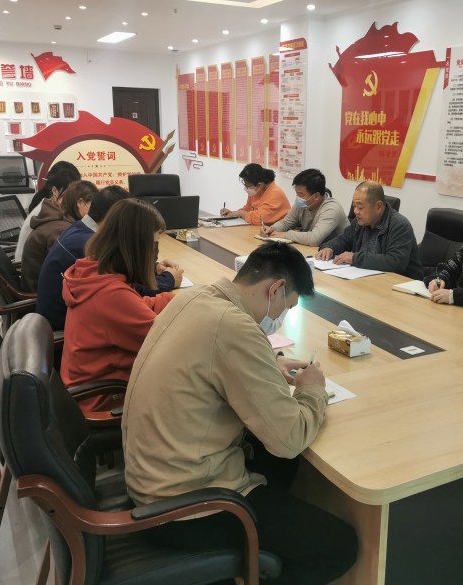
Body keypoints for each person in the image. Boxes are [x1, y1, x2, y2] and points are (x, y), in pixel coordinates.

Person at [122, 242, 357, 584]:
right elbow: (290, 439)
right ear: (276, 289)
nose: (282, 317)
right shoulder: (234, 327)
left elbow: (212, 357)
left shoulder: (194, 298)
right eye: (288, 306)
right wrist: (312, 390)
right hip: (186, 507)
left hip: (152, 479)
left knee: (281, 465)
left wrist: (270, 362)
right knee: (339, 546)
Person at [61, 198, 176, 411]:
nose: (156, 251)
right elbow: (168, 343)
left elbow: (136, 305)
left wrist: (183, 300)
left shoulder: (92, 270)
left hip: (86, 387)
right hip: (105, 402)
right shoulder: (111, 295)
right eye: (155, 243)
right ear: (138, 247)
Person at [36, 186, 183, 330]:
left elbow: (122, 276)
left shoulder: (80, 230)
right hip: (62, 325)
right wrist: (168, 279)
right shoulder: (88, 245)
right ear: (114, 218)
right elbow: (132, 291)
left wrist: (153, 268)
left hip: (73, 320)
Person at [316, 180, 424, 279]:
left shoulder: (399, 225)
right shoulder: (360, 222)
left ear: (378, 206)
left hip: (401, 284)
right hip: (369, 279)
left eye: (360, 207)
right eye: (354, 206)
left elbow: (395, 262)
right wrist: (329, 247)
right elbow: (343, 239)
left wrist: (355, 258)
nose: (356, 211)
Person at [22, 180, 97, 291]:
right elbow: (73, 269)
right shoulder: (62, 229)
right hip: (38, 291)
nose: (95, 211)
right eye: (92, 205)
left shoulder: (58, 218)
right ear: (80, 203)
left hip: (38, 285)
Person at [261, 168, 348, 246]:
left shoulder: (331, 209)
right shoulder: (302, 203)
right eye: (297, 194)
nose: (298, 198)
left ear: (316, 196)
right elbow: (286, 223)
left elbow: (314, 239)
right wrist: (272, 229)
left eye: (301, 195)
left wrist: (286, 235)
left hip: (336, 255)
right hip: (315, 251)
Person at [15, 164, 81, 262]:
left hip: (32, 261)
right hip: (26, 264)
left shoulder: (49, 203)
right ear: (55, 190)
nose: (73, 199)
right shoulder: (50, 214)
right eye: (68, 194)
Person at [219, 163, 290, 226]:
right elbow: (248, 208)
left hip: (277, 231)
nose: (246, 188)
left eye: (248, 186)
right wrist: (233, 213)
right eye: (245, 185)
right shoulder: (256, 190)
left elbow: (258, 219)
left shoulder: (275, 194)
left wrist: (240, 213)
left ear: (259, 185)